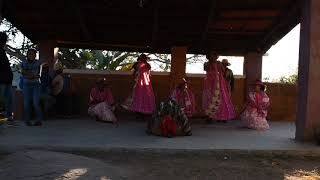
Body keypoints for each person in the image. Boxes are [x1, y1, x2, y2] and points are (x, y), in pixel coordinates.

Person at [202, 52, 236, 123]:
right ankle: (210, 116)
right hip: (209, 84)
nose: (213, 57)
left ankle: (222, 116)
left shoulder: (222, 66)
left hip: (219, 84)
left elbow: (227, 76)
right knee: (209, 99)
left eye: (214, 56)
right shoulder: (207, 64)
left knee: (221, 99)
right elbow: (205, 69)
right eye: (211, 56)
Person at [21, 49, 43, 126]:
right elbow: (23, 73)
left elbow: (38, 75)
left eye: (33, 54)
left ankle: (38, 120)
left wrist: (30, 74)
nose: (31, 55)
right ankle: (27, 120)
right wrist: (31, 74)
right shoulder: (24, 62)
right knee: (26, 103)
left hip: (36, 84)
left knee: (36, 103)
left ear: (35, 55)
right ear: (27, 55)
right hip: (26, 85)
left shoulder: (38, 63)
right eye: (29, 54)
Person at [0, 32, 14, 125]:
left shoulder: (2, 51)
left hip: (7, 80)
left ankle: (8, 116)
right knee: (3, 100)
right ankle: (6, 116)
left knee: (8, 100)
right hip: (2, 80)